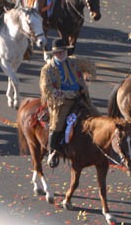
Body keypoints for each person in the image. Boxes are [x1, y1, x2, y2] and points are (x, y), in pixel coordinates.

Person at [39, 38, 98, 168]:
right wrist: (65, 94)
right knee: (57, 123)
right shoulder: (47, 70)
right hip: (61, 102)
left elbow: (90, 65)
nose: (61, 54)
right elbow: (47, 90)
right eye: (58, 53)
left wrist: (91, 75)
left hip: (80, 97)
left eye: (63, 51)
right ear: (53, 54)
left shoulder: (74, 61)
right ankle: (52, 151)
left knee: (97, 115)